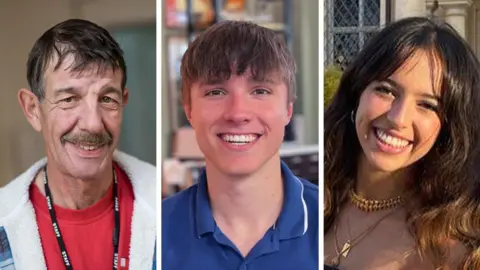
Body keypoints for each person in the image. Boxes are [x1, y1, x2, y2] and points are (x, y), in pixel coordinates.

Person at [324, 17, 480, 269]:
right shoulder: (305, 197)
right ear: (357, 92)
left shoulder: (452, 252)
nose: (399, 119)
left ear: (450, 127)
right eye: (386, 90)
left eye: (427, 105)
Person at [0, 19, 156, 270]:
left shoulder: (165, 208)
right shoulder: (3, 223)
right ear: (33, 110)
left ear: (123, 102)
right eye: (69, 99)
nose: (93, 124)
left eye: (107, 99)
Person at [162, 20, 319, 269]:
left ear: (288, 109)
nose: (237, 113)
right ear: (189, 110)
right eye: (216, 92)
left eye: (260, 91)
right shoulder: (154, 233)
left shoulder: (331, 223)